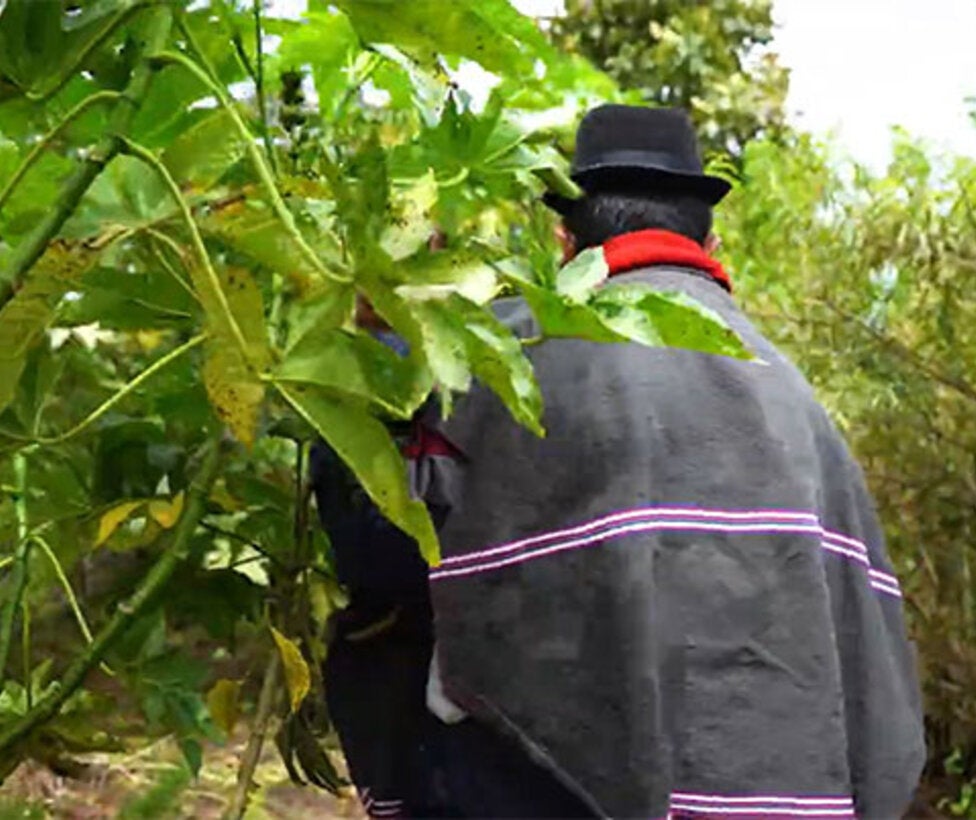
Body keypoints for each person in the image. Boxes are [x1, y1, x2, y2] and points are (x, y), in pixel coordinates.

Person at [312, 104, 925, 819]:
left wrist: (380, 348)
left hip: (535, 789)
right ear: (711, 240)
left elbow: (375, 549)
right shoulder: (797, 400)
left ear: (565, 240)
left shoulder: (504, 358)